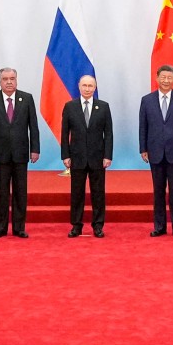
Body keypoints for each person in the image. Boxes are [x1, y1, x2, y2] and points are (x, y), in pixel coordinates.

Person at [0, 67, 40, 238]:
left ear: (16, 79)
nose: (9, 82)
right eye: (5, 79)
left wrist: (35, 149)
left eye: (12, 78)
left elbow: (33, 127)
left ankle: (19, 227)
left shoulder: (27, 98)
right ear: (0, 81)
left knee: (21, 192)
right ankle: (0, 227)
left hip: (21, 154)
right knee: (2, 193)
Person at [139, 64, 173, 238]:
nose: (166, 80)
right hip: (154, 152)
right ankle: (159, 226)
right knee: (158, 191)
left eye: (169, 77)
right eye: (163, 77)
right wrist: (143, 148)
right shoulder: (146, 100)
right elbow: (143, 127)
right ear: (157, 78)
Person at [61, 74, 113, 238]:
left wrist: (108, 155)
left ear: (95, 87)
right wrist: (65, 155)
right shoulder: (70, 106)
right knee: (77, 194)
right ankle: (76, 225)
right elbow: (64, 133)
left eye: (91, 86)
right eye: (85, 85)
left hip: (98, 158)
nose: (87, 89)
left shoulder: (103, 107)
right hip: (77, 157)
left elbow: (109, 134)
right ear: (79, 87)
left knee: (98, 193)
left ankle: (98, 225)